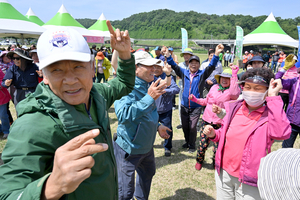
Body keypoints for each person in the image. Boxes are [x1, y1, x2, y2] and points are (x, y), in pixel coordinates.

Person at [0, 22, 136, 200]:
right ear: (45, 76)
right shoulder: (32, 125)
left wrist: (125, 55)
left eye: (78, 66)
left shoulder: (97, 94)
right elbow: (8, 194)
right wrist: (51, 188)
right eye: (57, 70)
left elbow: (124, 84)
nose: (70, 80)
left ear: (92, 68)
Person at [203, 68, 291, 200]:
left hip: (249, 180)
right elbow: (225, 134)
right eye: (248, 87)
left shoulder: (270, 115)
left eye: (258, 88)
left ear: (267, 90)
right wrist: (214, 134)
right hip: (223, 173)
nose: (251, 92)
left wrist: (273, 97)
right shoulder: (234, 108)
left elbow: (282, 133)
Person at [113, 51, 171, 200]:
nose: (154, 69)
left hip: (146, 148)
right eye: (149, 66)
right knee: (125, 192)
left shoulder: (147, 86)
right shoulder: (125, 87)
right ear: (136, 68)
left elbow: (147, 113)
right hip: (129, 149)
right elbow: (124, 115)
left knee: (147, 175)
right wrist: (149, 98)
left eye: (154, 66)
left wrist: (158, 126)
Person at [166, 44, 224, 153]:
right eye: (192, 63)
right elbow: (174, 65)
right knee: (185, 126)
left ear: (199, 65)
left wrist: (216, 54)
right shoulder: (184, 72)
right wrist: (168, 55)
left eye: (196, 63)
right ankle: (187, 141)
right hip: (184, 105)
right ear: (189, 64)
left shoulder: (202, 74)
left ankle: (192, 145)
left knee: (192, 127)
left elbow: (211, 65)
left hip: (196, 106)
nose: (193, 64)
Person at [189, 66, 240, 171]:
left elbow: (235, 93)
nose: (224, 80)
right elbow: (206, 101)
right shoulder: (214, 88)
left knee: (217, 147)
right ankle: (199, 161)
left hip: (220, 123)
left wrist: (234, 74)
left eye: (228, 78)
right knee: (202, 144)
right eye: (222, 77)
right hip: (206, 120)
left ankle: (215, 163)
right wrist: (195, 99)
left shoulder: (232, 92)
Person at [154, 60, 180, 156]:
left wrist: (166, 91)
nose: (156, 69)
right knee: (150, 128)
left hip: (165, 110)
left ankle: (167, 147)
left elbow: (177, 89)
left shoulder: (168, 77)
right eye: (154, 67)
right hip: (152, 110)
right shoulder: (149, 78)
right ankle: (148, 145)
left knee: (167, 128)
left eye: (158, 67)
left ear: (162, 68)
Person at [275, 54, 300, 148]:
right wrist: (284, 68)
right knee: (286, 150)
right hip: (292, 122)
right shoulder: (294, 81)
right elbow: (277, 80)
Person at [176, 48, 194, 129]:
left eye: (188, 54)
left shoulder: (194, 64)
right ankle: (182, 122)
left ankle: (194, 123)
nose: (186, 56)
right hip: (182, 88)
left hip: (193, 88)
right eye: (184, 54)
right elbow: (177, 76)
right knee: (181, 105)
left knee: (193, 105)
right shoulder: (180, 65)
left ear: (191, 55)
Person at [0, 69, 11, 139]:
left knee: (3, 115)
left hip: (2, 97)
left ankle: (6, 131)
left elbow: (4, 79)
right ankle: (1, 129)